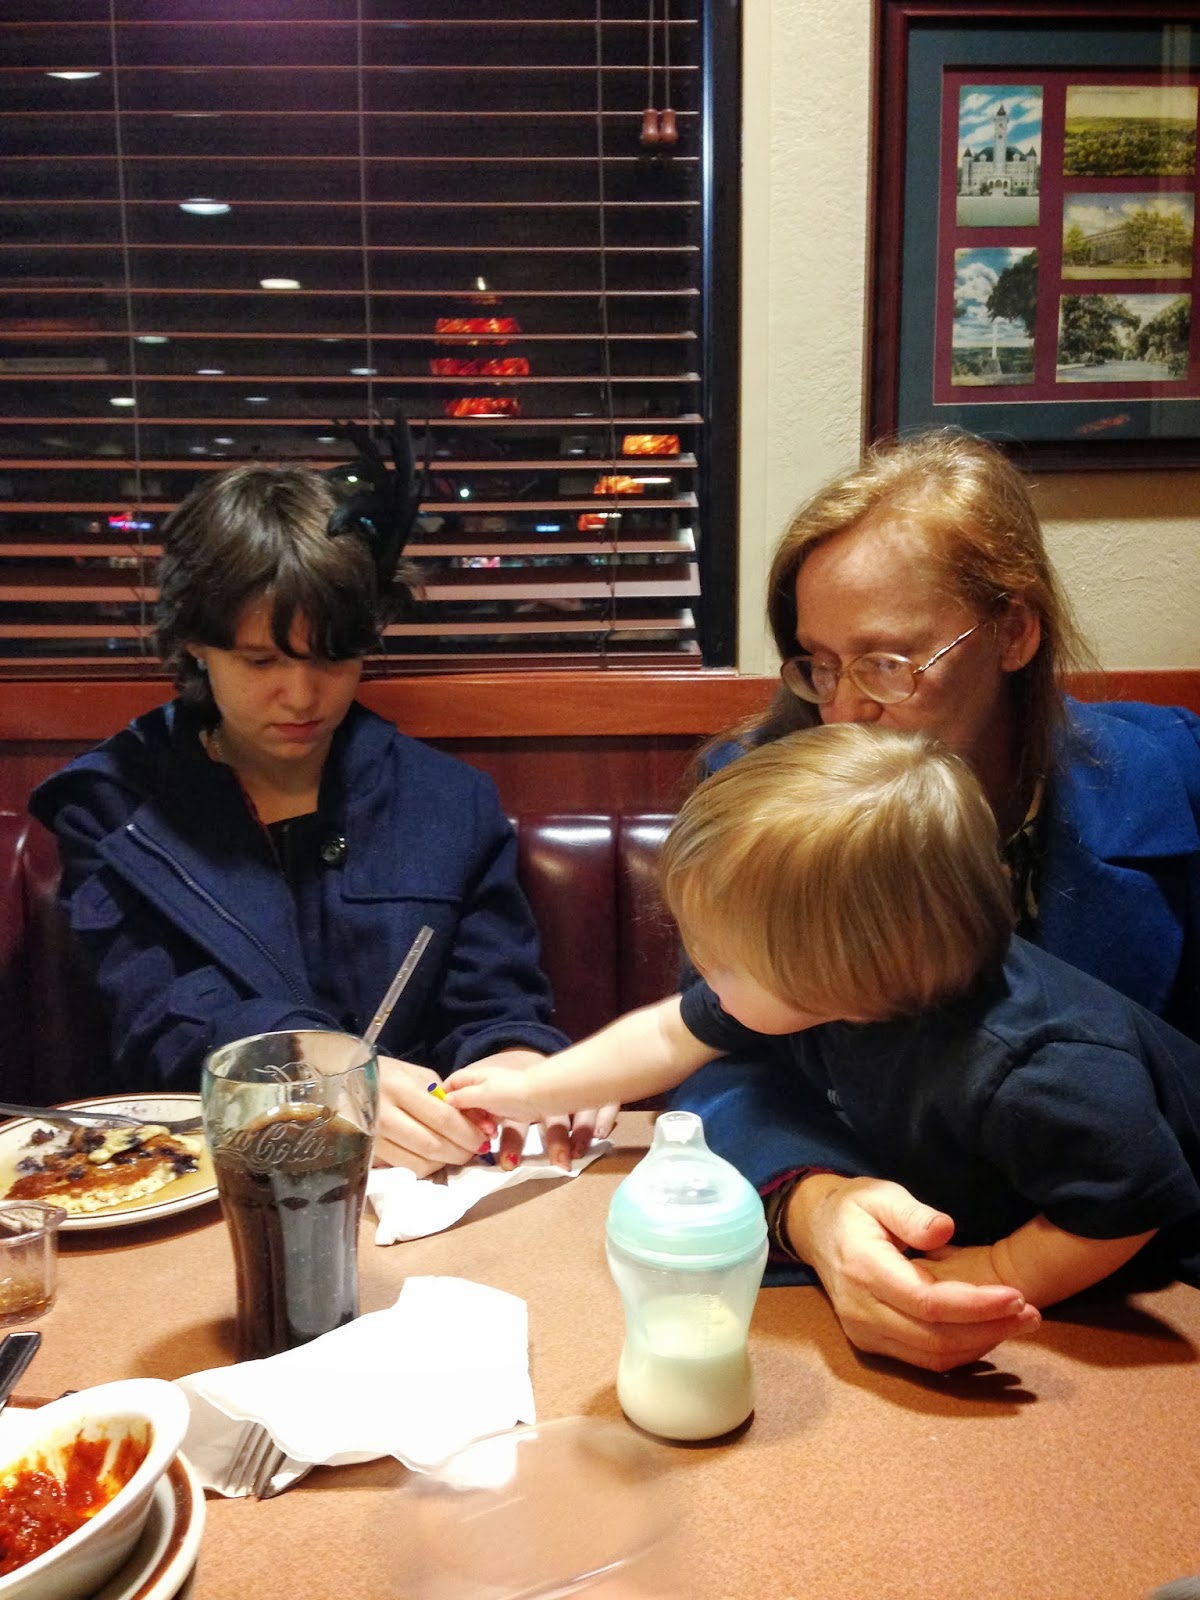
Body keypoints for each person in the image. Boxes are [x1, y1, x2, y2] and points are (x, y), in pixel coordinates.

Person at [672, 429, 1200, 1368]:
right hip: (854, 1309)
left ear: (1014, 632)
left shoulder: (1175, 777)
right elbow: (723, 1049)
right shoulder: (754, 795)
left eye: (888, 661)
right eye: (820, 662)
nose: (843, 711)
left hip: (1147, 1300)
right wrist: (814, 1207)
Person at [445, 725, 1200, 1351]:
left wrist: (997, 1268)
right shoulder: (825, 993)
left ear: (851, 972)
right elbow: (670, 1037)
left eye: (722, 959)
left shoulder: (1038, 1066)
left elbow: (1125, 1206)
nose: (700, 968)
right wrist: (533, 1089)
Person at [30, 443, 611, 1174]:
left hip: (419, 1177)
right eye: (262, 661)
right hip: (211, 1170)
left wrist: (517, 1062)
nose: (303, 697)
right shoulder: (114, 805)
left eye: (332, 658)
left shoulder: (447, 800)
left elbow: (493, 1001)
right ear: (196, 645)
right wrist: (313, 1067)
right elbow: (158, 1017)